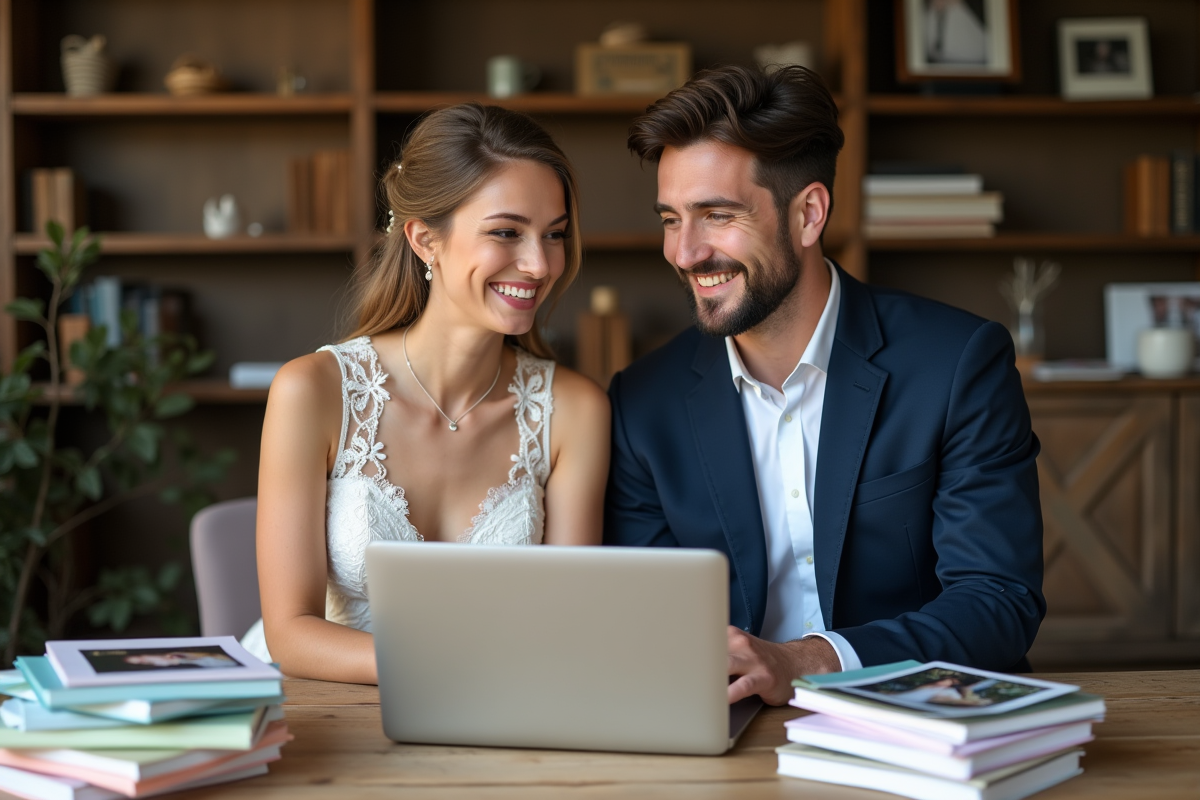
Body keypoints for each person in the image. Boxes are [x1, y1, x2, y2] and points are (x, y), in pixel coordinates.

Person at [606, 65, 1044, 706]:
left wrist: (809, 661)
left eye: (717, 215)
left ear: (809, 213)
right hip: (730, 727)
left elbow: (998, 601)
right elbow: (643, 618)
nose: (685, 252)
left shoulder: (957, 364)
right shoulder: (641, 403)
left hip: (921, 718)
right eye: (671, 219)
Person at [247, 104, 611, 684]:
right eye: (506, 232)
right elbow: (289, 633)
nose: (540, 264)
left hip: (500, 704)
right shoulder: (313, 392)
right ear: (424, 240)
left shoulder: (574, 411)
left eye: (555, 235)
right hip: (327, 705)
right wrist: (447, 668)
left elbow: (563, 620)